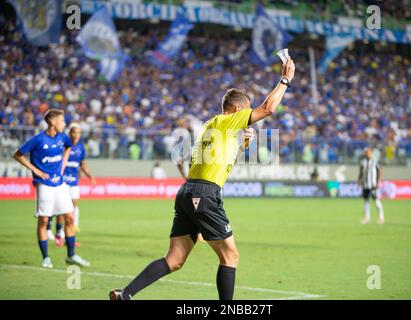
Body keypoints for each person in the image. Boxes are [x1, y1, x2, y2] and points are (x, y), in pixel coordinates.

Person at [109, 57, 295, 300]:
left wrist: (242, 146)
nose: (249, 117)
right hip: (205, 194)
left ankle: (125, 294)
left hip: (188, 192)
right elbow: (268, 108)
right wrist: (285, 80)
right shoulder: (228, 120)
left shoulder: (211, 126)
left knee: (174, 260)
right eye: (247, 111)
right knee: (230, 256)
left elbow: (220, 164)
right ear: (238, 110)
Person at [12, 109, 90, 268]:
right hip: (44, 185)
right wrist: (35, 170)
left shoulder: (63, 137)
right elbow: (18, 155)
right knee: (44, 221)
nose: (64, 124)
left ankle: (71, 255)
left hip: (60, 184)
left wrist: (62, 166)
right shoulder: (38, 139)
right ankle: (46, 258)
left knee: (69, 218)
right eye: (62, 121)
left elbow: (68, 147)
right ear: (53, 122)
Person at [358, 147, 385, 225]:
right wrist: (359, 181)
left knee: (376, 201)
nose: (366, 153)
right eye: (365, 152)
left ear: (370, 153)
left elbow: (379, 172)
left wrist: (378, 182)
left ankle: (381, 217)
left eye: (368, 152)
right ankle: (367, 218)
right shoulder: (362, 162)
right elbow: (360, 172)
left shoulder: (375, 161)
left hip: (373, 185)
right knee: (366, 201)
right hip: (365, 185)